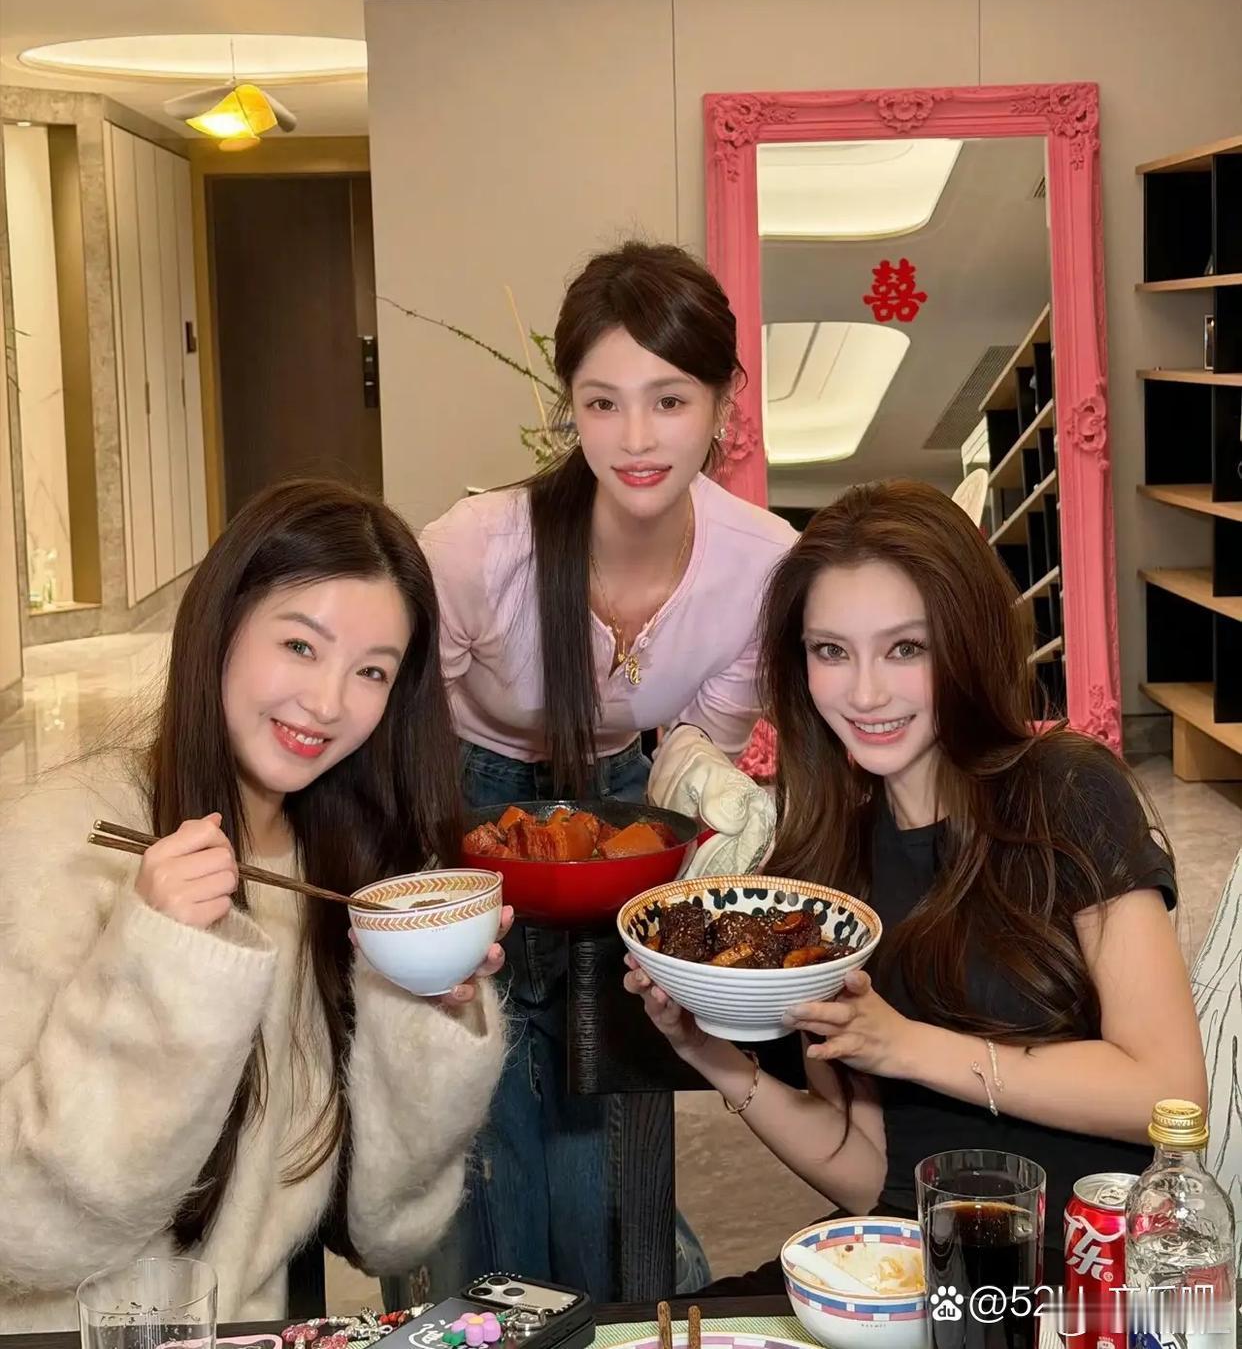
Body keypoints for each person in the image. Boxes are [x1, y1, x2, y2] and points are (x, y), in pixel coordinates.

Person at [626, 479, 1207, 1284]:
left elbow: (1171, 1094)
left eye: (905, 648)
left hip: (1071, 1269)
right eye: (831, 651)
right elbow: (868, 1171)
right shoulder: (823, 864)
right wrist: (707, 1050)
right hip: (902, 1261)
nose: (865, 692)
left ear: (964, 643)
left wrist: (908, 1045)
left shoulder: (1067, 792)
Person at [0, 481, 508, 1332]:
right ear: (223, 623)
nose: (327, 703)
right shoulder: (63, 841)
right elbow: (20, 1227)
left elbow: (390, 1233)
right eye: (301, 645)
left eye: (371, 671)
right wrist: (159, 961)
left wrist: (424, 1009)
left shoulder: (345, 868)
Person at [419, 240, 797, 1300]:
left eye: (669, 400)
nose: (635, 439)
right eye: (603, 403)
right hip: (465, 797)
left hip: (624, 799)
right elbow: (398, 734)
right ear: (568, 408)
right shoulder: (478, 547)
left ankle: (627, 1309)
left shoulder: (760, 561)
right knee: (488, 1122)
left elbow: (695, 754)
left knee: (605, 1122)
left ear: (723, 400)